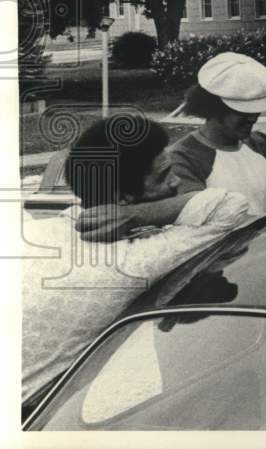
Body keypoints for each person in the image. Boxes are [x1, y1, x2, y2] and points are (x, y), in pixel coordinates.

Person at [22, 117, 252, 407]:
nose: (176, 181)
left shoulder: (34, 233)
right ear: (124, 198)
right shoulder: (134, 262)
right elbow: (231, 207)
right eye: (162, 176)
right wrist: (142, 215)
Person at [76, 52, 266, 241]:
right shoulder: (183, 160)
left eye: (257, 112)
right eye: (243, 112)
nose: (253, 118)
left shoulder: (261, 144)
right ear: (212, 107)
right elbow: (216, 226)